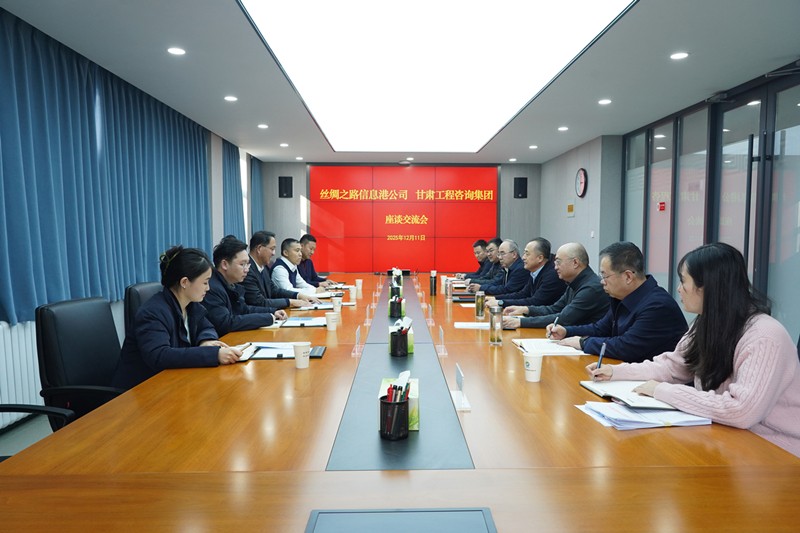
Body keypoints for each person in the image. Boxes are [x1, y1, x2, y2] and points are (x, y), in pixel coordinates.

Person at [587, 243, 800, 457]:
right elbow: (672, 367)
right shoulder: (707, 323)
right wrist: (615, 372)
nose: (679, 289)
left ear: (708, 287)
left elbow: (741, 410)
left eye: (683, 281)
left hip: (775, 452)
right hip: (724, 438)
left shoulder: (765, 336)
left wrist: (663, 391)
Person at [112, 246, 243, 390]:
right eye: (205, 282)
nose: (208, 288)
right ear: (184, 282)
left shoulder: (190, 305)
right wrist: (214, 354)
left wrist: (205, 340)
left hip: (172, 383)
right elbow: (160, 356)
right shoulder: (153, 313)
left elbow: (206, 326)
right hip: (140, 391)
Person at [548, 241, 687, 362]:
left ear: (628, 277)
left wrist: (583, 342)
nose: (602, 282)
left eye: (605, 276)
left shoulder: (657, 306)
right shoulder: (620, 297)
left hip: (654, 379)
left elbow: (626, 346)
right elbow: (600, 328)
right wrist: (566, 331)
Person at [502, 242, 608, 329]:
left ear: (575, 263)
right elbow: (554, 309)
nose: (555, 267)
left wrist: (520, 322)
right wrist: (526, 309)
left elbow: (563, 318)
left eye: (558, 262)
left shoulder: (591, 288)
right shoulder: (574, 282)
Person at [203, 235, 287, 336]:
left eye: (248, 264)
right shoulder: (212, 288)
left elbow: (244, 309)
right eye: (242, 264)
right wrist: (267, 318)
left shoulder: (232, 284)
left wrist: (273, 312)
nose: (247, 269)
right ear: (225, 264)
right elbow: (226, 323)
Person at [242, 231, 320, 308]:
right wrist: (290, 302)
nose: (274, 253)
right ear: (259, 248)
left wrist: (298, 295)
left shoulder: (263, 267)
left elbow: (274, 290)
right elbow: (259, 302)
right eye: (272, 249)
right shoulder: (247, 270)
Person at [485, 238, 566, 309]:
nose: (523, 257)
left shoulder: (552, 275)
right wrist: (496, 298)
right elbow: (523, 294)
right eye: (524, 253)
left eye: (527, 254)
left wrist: (501, 302)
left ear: (540, 258)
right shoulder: (534, 270)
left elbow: (535, 301)